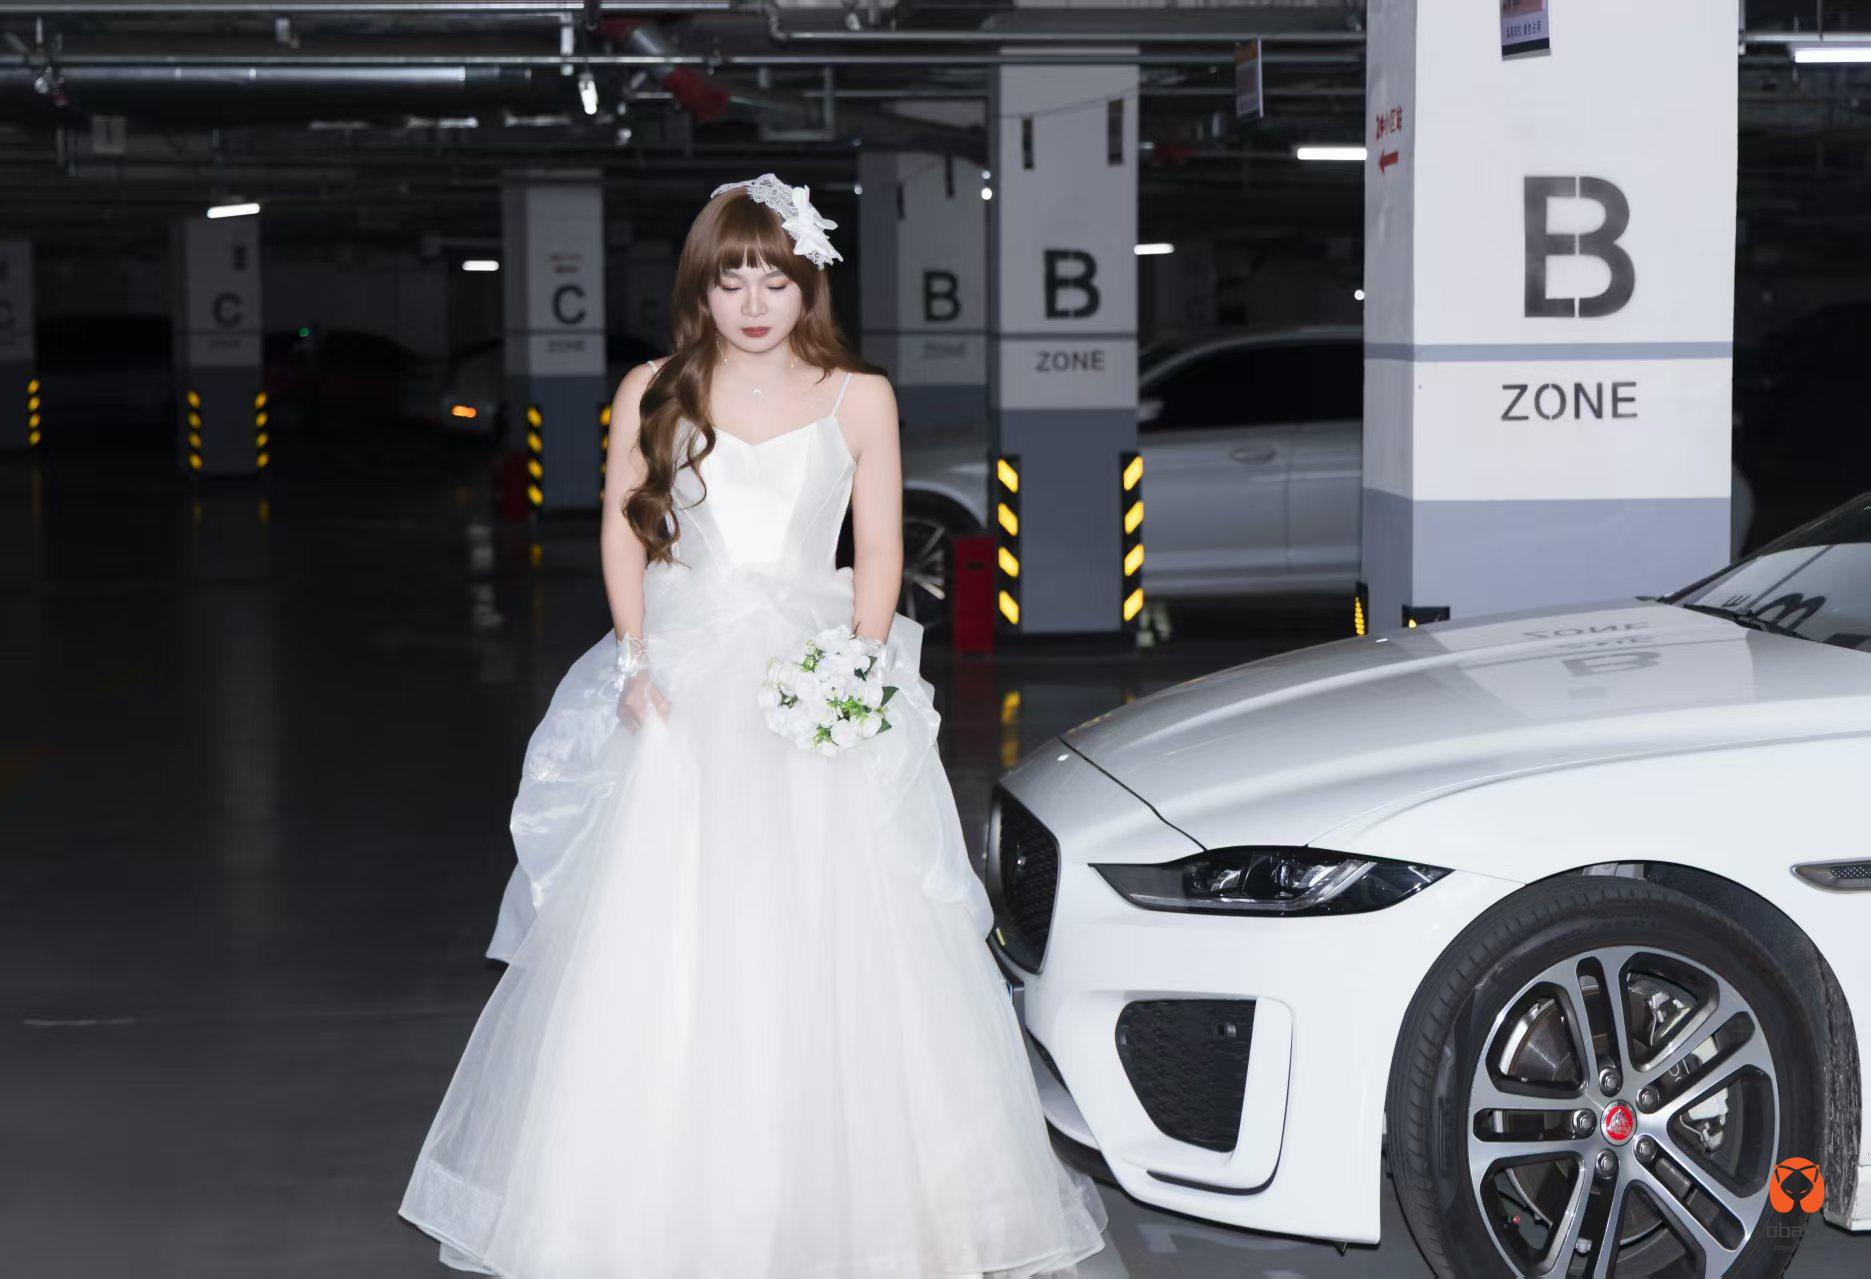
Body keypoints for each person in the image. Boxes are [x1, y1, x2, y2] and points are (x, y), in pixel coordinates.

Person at [397, 173, 1111, 1278]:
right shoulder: (653, 387)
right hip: (688, 677)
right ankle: (654, 1206)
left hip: (810, 673)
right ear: (701, 288)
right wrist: (634, 658)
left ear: (805, 285)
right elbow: (623, 529)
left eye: (773, 279)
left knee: (841, 919)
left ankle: (860, 1204)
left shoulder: (857, 396)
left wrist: (859, 664)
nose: (753, 302)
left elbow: (878, 548)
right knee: (671, 919)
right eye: (731, 280)